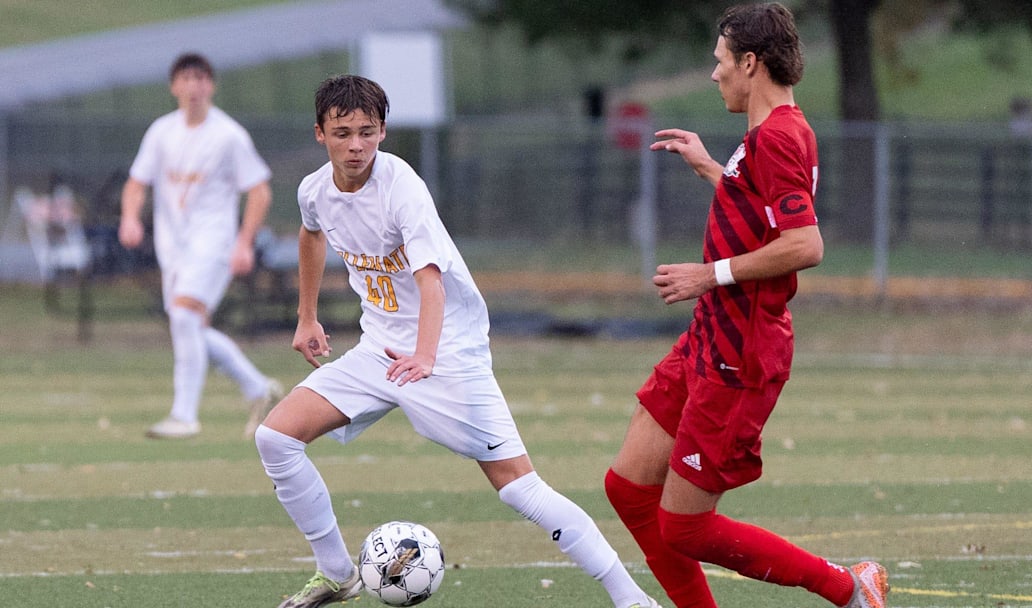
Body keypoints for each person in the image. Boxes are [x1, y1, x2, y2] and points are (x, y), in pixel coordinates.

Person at [253, 74, 662, 608]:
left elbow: (431, 279)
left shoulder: (402, 188)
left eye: (368, 132)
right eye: (343, 133)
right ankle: (336, 573)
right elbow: (311, 233)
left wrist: (426, 356)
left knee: (520, 487)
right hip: (380, 351)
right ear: (319, 134)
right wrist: (306, 316)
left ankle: (633, 600)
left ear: (383, 132)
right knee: (276, 439)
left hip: (447, 354)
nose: (356, 145)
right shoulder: (315, 190)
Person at [603, 4, 889, 608]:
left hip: (742, 350)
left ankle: (848, 587)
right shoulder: (768, 135)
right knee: (628, 489)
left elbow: (805, 244)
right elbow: (761, 214)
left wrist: (710, 274)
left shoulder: (780, 136)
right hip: (709, 337)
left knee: (686, 525)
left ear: (750, 62)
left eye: (720, 61)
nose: (714, 74)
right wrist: (713, 168)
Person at [119, 52, 283, 439]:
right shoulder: (161, 131)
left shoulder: (228, 135)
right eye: (186, 78)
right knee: (189, 324)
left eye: (201, 78)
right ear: (174, 86)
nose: (194, 86)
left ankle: (184, 415)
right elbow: (136, 182)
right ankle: (259, 388)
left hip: (214, 243)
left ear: (211, 85)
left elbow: (259, 191)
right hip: (172, 247)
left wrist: (244, 242)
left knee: (182, 318)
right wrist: (129, 217)